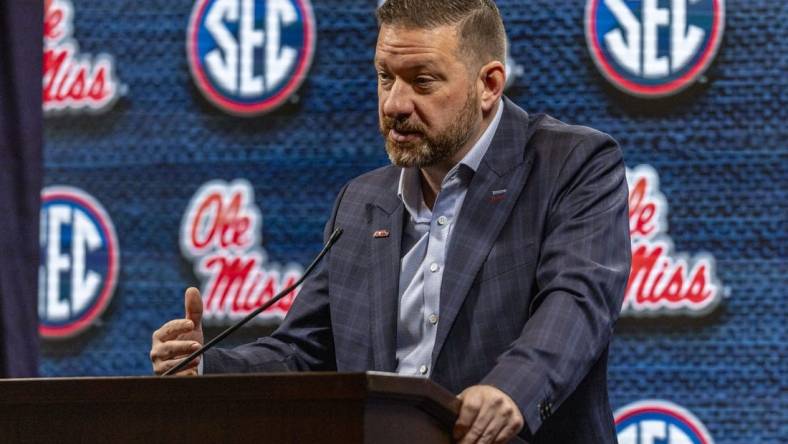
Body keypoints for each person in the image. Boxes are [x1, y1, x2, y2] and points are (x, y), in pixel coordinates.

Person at [150, 1, 630, 442]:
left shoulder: (572, 164)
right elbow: (304, 353)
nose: (395, 104)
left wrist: (509, 391)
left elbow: (577, 302)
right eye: (385, 77)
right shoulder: (361, 202)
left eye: (422, 81)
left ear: (489, 84)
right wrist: (206, 366)